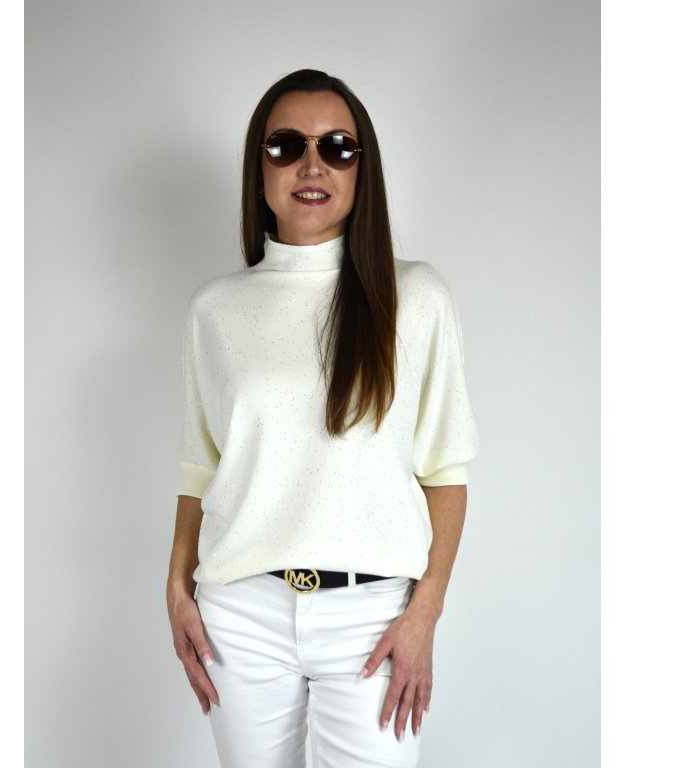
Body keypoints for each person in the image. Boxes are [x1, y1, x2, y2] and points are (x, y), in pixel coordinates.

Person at [166, 69, 480, 768]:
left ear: (363, 169)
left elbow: (445, 473)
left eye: (338, 147)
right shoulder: (214, 308)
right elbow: (200, 468)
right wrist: (176, 587)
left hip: (372, 617)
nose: (313, 166)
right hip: (240, 614)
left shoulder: (415, 297)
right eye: (286, 146)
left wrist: (425, 612)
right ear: (259, 169)